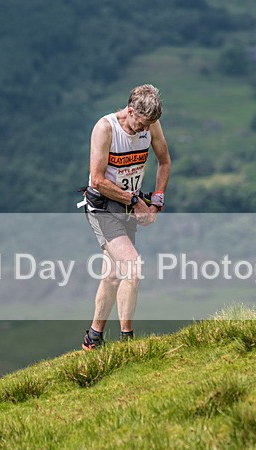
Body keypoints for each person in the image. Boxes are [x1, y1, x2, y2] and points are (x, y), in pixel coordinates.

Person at [79, 84, 171, 350]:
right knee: (132, 267)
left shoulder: (151, 124)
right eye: (140, 125)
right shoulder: (105, 128)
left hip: (130, 204)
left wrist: (156, 200)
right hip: (103, 206)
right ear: (130, 111)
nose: (143, 131)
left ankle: (93, 339)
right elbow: (97, 180)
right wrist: (135, 202)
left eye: (148, 126)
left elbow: (164, 161)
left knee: (112, 275)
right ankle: (127, 341)